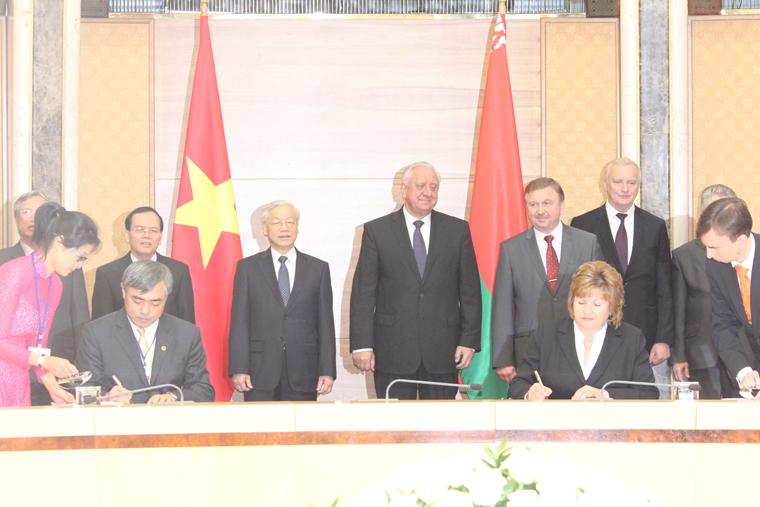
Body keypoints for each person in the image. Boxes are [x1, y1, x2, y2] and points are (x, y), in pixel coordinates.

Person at [350, 161, 481, 400]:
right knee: (396, 420)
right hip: (392, 350)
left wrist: (469, 341)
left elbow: (470, 292)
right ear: (404, 189)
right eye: (420, 186)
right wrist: (362, 345)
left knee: (441, 420)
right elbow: (363, 294)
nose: (427, 192)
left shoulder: (457, 230)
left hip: (444, 350)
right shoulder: (377, 231)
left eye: (433, 187)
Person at [571, 158, 674, 396]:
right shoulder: (583, 224)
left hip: (643, 332)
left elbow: (665, 287)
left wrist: (663, 339)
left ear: (639, 185)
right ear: (605, 184)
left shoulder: (655, 226)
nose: (625, 189)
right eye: (618, 182)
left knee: (636, 398)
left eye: (631, 182)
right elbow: (578, 286)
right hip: (596, 328)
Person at [491, 178, 603, 382]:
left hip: (581, 347)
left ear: (562, 205)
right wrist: (503, 358)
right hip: (529, 351)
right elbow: (502, 307)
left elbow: (603, 298)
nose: (540, 211)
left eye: (547, 203)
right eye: (533, 204)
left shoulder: (587, 243)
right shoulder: (511, 249)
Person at [228, 200, 336, 401]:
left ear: (297, 227)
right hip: (258, 371)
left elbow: (325, 324)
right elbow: (239, 322)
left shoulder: (318, 268)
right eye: (276, 222)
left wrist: (327, 370)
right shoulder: (247, 268)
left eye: (290, 222)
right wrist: (239, 368)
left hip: (305, 370)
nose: (284, 228)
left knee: (302, 422)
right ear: (264, 228)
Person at [509, 261, 658, 400]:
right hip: (557, 419)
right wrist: (530, 393)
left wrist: (604, 395)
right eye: (581, 302)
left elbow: (649, 393)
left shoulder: (631, 339)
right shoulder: (546, 334)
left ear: (612, 307)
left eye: (596, 304)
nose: (587, 311)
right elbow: (518, 384)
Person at [0, 202, 100, 407]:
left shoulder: (55, 285)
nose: (79, 265)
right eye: (80, 257)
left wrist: (53, 386)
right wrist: (44, 361)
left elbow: (38, 345)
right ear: (59, 243)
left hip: (18, 381)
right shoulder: (15, 272)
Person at [77, 260, 213, 404]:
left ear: (166, 297)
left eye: (155, 303)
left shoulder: (186, 334)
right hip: (117, 416)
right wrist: (106, 397)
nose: (145, 310)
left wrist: (173, 397)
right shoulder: (96, 333)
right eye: (138, 301)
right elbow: (84, 389)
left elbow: (203, 389)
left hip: (167, 417)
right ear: (123, 291)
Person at [672, 185, 742, 399]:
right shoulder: (684, 255)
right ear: (702, 213)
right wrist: (679, 355)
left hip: (742, 349)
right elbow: (679, 310)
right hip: (701, 351)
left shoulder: (741, 248)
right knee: (705, 413)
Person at [697, 197, 760, 399]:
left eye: (715, 247)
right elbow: (723, 325)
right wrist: (744, 372)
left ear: (740, 241)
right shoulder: (717, 265)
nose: (708, 255)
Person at [91, 206, 195, 323]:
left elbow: (187, 321)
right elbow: (100, 324)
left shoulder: (179, 271)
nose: (147, 235)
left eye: (153, 230)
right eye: (140, 229)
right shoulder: (107, 274)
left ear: (160, 237)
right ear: (127, 235)